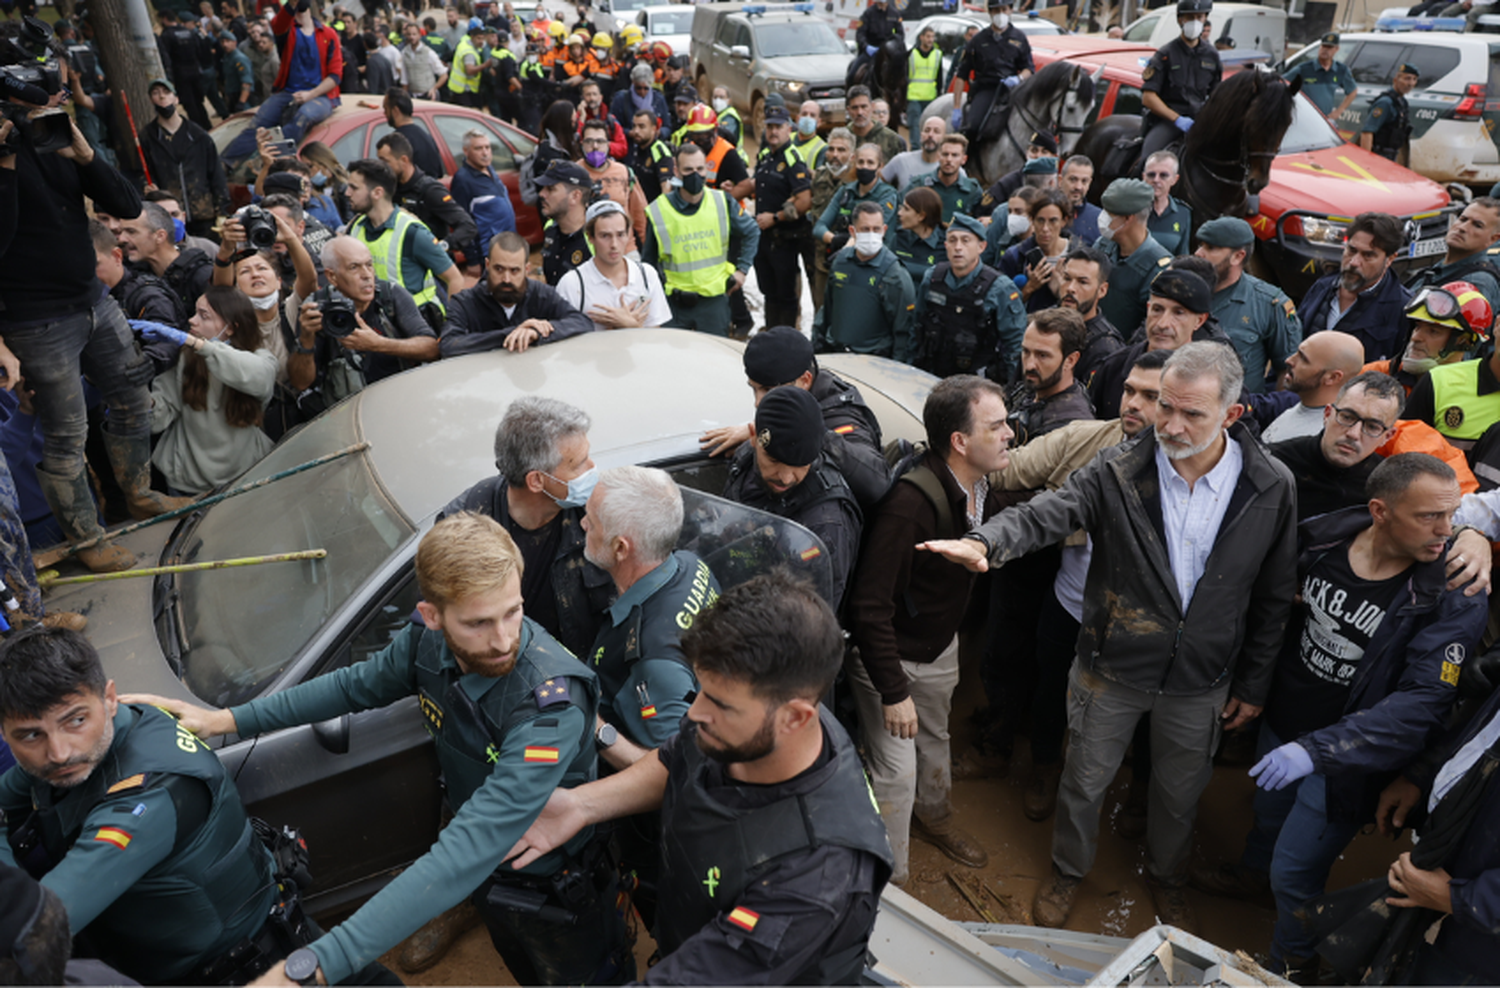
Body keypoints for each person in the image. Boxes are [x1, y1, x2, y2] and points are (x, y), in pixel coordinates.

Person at [133, 513, 632, 987]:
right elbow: (353, 686)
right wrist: (229, 719)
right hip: (490, 882)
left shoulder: (550, 705)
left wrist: (319, 963)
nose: (504, 640)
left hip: (557, 888)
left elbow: (473, 845)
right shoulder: (425, 642)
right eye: (478, 623)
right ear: (431, 615)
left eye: (513, 612)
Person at [923, 341, 1296, 934]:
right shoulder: (1119, 469)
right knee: (1084, 780)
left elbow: (1274, 594)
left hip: (1201, 680)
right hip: (1111, 666)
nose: (1168, 425)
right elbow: (1050, 511)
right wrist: (987, 543)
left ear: (1232, 413)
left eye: (1190, 414)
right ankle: (1069, 872)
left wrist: (1252, 683)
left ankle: (1169, 878)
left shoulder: (1270, 484)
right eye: (1163, 406)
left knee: (1179, 794)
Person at [507, 570, 893, 984]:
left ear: (795, 717)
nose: (694, 713)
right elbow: (678, 760)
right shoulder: (748, 721)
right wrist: (581, 805)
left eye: (719, 703)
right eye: (702, 689)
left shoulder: (816, 878)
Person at [1203, 453, 1485, 979]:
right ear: (1379, 511)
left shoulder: (1454, 593)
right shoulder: (1322, 539)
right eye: (1430, 517)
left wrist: (1316, 751)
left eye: (1453, 517)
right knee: (1265, 817)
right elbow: (1266, 609)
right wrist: (1252, 688)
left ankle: (1291, 961)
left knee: (1295, 870)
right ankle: (1249, 880)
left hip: (1347, 763)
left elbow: (1423, 703)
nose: (1447, 531)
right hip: (1282, 722)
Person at [0, 627, 305, 985]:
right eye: (32, 734)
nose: (59, 752)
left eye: (76, 720)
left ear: (109, 699)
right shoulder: (110, 730)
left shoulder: (149, 798)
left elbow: (31, 931)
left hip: (244, 972)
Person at [0, 116, 190, 572]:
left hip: (93, 299)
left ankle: (139, 493)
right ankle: (87, 538)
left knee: (132, 399)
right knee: (67, 434)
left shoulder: (50, 138)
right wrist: (4, 160)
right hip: (37, 319)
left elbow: (126, 204)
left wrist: (85, 153)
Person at [988, 349, 1170, 822]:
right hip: (1070, 606)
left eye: (1151, 396)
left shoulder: (1198, 473)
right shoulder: (1085, 440)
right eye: (1129, 390)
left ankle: (1139, 796)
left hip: (1145, 628)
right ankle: (1047, 769)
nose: (1133, 403)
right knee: (1052, 691)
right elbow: (1003, 467)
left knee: (1149, 716)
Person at [846, 375, 1008, 885]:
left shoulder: (981, 483)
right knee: (897, 772)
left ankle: (936, 820)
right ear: (960, 442)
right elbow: (869, 607)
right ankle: (892, 887)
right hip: (889, 657)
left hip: (939, 648)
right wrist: (893, 692)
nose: (1011, 434)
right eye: (998, 425)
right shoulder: (910, 506)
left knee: (935, 738)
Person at [580, 466, 718, 925]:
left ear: (622, 548)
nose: (582, 523)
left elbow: (666, 773)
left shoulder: (654, 658)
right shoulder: (689, 565)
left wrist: (596, 729)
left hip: (661, 839)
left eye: (592, 520)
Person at [439, 397, 613, 662]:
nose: (592, 470)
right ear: (536, 480)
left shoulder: (599, 515)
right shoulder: (459, 532)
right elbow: (445, 634)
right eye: (579, 464)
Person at [701, 326, 892, 513]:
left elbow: (877, 483)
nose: (758, 403)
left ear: (806, 380)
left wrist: (815, 433)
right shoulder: (794, 397)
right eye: (754, 389)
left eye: (768, 390)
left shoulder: (840, 417)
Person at [722, 387, 863, 610]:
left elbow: (811, 624)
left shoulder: (825, 525)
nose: (786, 478)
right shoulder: (744, 462)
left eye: (800, 464)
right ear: (753, 436)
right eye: (774, 460)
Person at [139, 286, 275, 495]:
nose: (192, 321)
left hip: (247, 476)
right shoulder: (185, 359)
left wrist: (201, 346)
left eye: (204, 316)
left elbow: (258, 376)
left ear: (230, 328)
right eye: (195, 313)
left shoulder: (260, 357)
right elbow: (161, 414)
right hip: (187, 482)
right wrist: (142, 400)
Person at [290, 235, 438, 405]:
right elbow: (300, 383)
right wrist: (306, 339)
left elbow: (432, 348)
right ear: (332, 277)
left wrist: (379, 344)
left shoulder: (391, 295)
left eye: (369, 265)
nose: (367, 275)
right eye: (354, 268)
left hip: (402, 401)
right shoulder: (317, 308)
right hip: (350, 413)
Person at [642, 142, 759, 337]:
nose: (695, 175)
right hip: (674, 305)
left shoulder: (722, 201)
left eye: (700, 169)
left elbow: (752, 231)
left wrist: (742, 270)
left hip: (713, 304)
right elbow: (648, 262)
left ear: (706, 169)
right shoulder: (658, 210)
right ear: (677, 172)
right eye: (688, 169)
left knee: (714, 361)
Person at [1086, 266, 1229, 419]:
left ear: (1199, 321)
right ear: (1148, 308)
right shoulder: (1114, 367)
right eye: (1157, 309)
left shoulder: (1214, 378)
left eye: (1178, 313)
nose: (1163, 324)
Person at [1266, 371, 1406, 522]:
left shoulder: (1388, 487)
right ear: (1327, 414)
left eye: (1372, 427)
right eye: (1346, 417)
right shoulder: (1274, 462)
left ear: (1388, 436)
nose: (1353, 434)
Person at [222, 0, 344, 165]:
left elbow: (335, 75)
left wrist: (311, 95)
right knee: (259, 123)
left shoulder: (328, 34)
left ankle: (267, 160)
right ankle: (225, 164)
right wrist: (291, 4)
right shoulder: (288, 31)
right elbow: (278, 24)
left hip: (320, 96)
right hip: (288, 92)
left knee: (304, 116)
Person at [344, 157, 463, 325]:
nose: (347, 193)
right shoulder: (356, 227)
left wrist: (452, 327)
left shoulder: (412, 232)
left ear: (377, 193)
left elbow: (455, 279)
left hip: (417, 326)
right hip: (376, 322)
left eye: (354, 188)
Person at [912, 213, 1027, 383]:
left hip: (977, 382)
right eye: (952, 240)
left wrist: (1012, 392)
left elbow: (1015, 347)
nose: (958, 247)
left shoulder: (1000, 288)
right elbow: (916, 329)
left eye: (965, 241)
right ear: (945, 245)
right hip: (931, 376)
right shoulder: (932, 278)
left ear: (981, 246)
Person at [442, 232, 594, 357]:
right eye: (499, 269)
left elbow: (582, 322)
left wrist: (536, 333)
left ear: (527, 269)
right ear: (487, 266)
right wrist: (511, 334)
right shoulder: (464, 302)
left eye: (514, 271)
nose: (506, 279)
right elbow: (448, 345)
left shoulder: (541, 294)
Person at [1195, 216, 1302, 392]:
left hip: (1237, 411)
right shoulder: (1182, 290)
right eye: (1200, 245)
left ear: (1237, 257)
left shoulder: (1270, 303)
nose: (1198, 253)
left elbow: (1288, 371)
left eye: (1211, 248)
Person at [1297, 211, 1411, 361]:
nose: (1354, 262)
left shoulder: (1403, 309)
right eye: (1351, 250)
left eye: (1368, 255)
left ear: (1390, 259)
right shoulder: (1322, 287)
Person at [813, 201, 915, 361]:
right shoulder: (840, 262)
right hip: (837, 354)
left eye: (876, 229)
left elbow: (903, 330)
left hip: (874, 360)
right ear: (852, 231)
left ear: (884, 230)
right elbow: (827, 309)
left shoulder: (894, 273)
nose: (871, 235)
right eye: (865, 229)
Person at [555, 201, 671, 333]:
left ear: (628, 234)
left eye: (620, 235)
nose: (614, 244)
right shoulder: (572, 284)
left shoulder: (647, 275)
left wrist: (632, 326)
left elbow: (655, 335)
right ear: (590, 237)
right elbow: (565, 340)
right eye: (605, 236)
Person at [91, 221, 185, 375]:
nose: (87, 276)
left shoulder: (148, 295)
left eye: (94, 265)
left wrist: (148, 362)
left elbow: (167, 339)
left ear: (116, 256)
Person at [1369, 278, 1493, 395]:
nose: (1416, 338)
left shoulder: (1472, 395)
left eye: (1433, 331)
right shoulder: (1373, 375)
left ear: (1464, 341)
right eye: (1417, 327)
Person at [141, 79, 231, 239]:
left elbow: (216, 175)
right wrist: (150, 190)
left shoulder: (199, 136)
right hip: (169, 218)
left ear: (176, 98)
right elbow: (142, 172)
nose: (162, 97)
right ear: (150, 100)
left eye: (166, 92)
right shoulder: (148, 138)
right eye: (156, 93)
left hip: (203, 215)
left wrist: (222, 211)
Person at [376, 132, 478, 270]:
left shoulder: (429, 190)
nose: (381, 167)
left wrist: (441, 246)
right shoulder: (389, 189)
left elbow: (468, 226)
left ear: (404, 160)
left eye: (385, 161)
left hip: (434, 271)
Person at [753, 106, 814, 331]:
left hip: (785, 238)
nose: (773, 131)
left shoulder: (792, 158)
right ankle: (772, 334)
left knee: (786, 295)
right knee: (769, 293)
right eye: (770, 126)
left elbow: (804, 200)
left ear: (789, 128)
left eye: (778, 126)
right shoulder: (766, 156)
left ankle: (786, 337)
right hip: (765, 238)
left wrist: (776, 218)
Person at [1139, 0, 1221, 165]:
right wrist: (1177, 119)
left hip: (1200, 122)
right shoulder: (1165, 54)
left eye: (1199, 17)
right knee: (1147, 161)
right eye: (1190, 17)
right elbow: (1148, 97)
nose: (1195, 22)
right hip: (1169, 121)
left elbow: (1217, 96)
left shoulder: (1212, 55)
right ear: (1180, 20)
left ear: (1205, 19)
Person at [1092, 177, 1171, 338]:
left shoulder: (1159, 267)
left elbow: (1149, 327)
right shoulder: (1103, 245)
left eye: (1109, 213)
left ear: (1128, 218)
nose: (1102, 217)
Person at [1255, 329, 1366, 443]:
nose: (1289, 360)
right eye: (1297, 353)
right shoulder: (1298, 408)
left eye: (1303, 359)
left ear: (1332, 378)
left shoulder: (1322, 438)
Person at [1007, 308, 1095, 445]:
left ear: (1070, 360)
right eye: (1026, 352)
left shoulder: (1071, 428)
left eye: (1042, 356)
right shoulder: (1032, 390)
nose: (1030, 365)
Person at [952, 0, 1033, 145]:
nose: (1000, 14)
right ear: (990, 12)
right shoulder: (978, 40)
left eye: (1004, 9)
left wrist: (1018, 78)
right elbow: (961, 75)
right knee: (973, 126)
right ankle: (969, 161)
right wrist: (956, 108)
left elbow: (1029, 69)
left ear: (1010, 10)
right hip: (986, 90)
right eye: (996, 10)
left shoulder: (1020, 38)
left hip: (1012, 89)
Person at [117, 202, 215, 316]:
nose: (122, 239)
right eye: (121, 232)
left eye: (131, 232)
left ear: (160, 236)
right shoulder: (134, 274)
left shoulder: (200, 275)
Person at [815, 143, 899, 262]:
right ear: (855, 163)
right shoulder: (845, 191)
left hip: (877, 261)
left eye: (870, 163)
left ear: (880, 166)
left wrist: (845, 247)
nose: (865, 167)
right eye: (860, 162)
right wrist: (835, 239)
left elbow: (872, 232)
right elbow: (819, 227)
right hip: (847, 259)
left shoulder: (887, 194)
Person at [1405, 197, 1500, 303]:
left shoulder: (1475, 284)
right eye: (1463, 219)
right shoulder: (1443, 268)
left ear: (1493, 239)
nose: (1462, 228)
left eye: (1477, 226)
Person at [1057, 246, 1123, 390]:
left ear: (1102, 290)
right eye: (1067, 278)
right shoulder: (1043, 323)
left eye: (1082, 282)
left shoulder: (1105, 348)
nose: (1071, 288)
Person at [451, 129, 518, 266]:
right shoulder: (463, 180)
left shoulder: (489, 169)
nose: (485, 153)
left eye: (487, 147)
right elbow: (461, 221)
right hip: (489, 255)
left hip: (509, 246)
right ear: (466, 151)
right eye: (478, 148)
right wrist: (473, 260)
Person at [998, 188, 1073, 312]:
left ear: (1063, 221)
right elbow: (1001, 304)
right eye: (1040, 220)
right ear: (1031, 220)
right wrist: (1029, 287)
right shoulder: (1015, 256)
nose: (1045, 228)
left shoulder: (1077, 254)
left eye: (1053, 221)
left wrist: (1063, 293)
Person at [577, 120, 648, 249]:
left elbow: (640, 214)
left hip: (626, 250)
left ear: (608, 145)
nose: (595, 146)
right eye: (589, 141)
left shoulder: (624, 172)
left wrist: (647, 248)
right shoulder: (574, 173)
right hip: (588, 252)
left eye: (600, 141)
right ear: (582, 144)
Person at [810, 129, 855, 314]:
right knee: (820, 311)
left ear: (852, 155)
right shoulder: (819, 176)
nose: (835, 155)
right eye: (831, 149)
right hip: (821, 260)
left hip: (850, 262)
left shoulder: (858, 181)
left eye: (841, 150)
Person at [536, 160, 593, 287]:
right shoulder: (550, 228)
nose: (542, 194)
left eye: (551, 189)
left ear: (575, 196)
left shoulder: (596, 237)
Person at [157, 8, 212, 128]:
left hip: (181, 74)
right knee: (199, 102)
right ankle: (207, 125)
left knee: (190, 104)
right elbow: (199, 50)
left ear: (165, 19)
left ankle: (200, 128)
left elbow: (166, 58)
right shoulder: (188, 32)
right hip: (195, 71)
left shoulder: (166, 36)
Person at [1284, 33, 1357, 121]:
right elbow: (1282, 82)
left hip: (1324, 120)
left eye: (1329, 47)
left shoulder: (1340, 70)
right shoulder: (1304, 69)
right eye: (1323, 46)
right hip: (1303, 118)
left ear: (1337, 49)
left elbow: (1353, 91)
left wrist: (1339, 111)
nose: (1325, 50)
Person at [914, 134, 983, 224]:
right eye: (945, 154)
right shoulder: (920, 184)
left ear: (964, 159)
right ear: (939, 156)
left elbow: (981, 222)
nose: (949, 159)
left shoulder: (973, 190)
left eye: (955, 155)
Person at [886, 186, 947, 287]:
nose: (899, 213)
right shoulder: (899, 237)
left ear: (921, 216)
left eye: (906, 209)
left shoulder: (946, 244)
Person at [1361, 62, 1419, 163]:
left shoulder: (1402, 102)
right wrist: (1365, 161)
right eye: (1407, 78)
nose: (1411, 83)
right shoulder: (1385, 103)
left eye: (1414, 79)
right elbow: (1367, 132)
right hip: (1378, 155)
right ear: (1396, 80)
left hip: (1391, 156)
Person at [383, 86, 446, 178]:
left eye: (386, 109)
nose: (385, 114)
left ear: (395, 111)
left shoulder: (396, 142)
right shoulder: (427, 137)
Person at [1142, 151, 1192, 257]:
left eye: (1163, 175)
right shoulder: (1131, 209)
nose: (1156, 180)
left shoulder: (1183, 212)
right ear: (1143, 177)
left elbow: (1182, 255)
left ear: (1175, 179)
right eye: (1151, 175)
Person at [844, 86, 904, 168]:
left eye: (864, 106)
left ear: (872, 107)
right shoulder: (842, 139)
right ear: (848, 110)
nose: (859, 112)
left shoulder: (892, 140)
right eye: (855, 108)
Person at [849, 0, 903, 91]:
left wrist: (892, 45)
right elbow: (860, 34)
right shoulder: (868, 14)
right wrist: (866, 47)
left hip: (888, 52)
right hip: (870, 52)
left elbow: (900, 34)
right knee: (851, 75)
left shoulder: (895, 14)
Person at [883, 115, 944, 193]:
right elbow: (877, 185)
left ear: (944, 137)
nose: (930, 135)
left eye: (936, 131)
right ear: (921, 134)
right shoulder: (901, 160)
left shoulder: (951, 168)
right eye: (927, 130)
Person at [611, 64, 669, 145]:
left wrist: (659, 132)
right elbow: (613, 124)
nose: (642, 91)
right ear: (633, 83)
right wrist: (629, 132)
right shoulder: (621, 99)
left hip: (653, 145)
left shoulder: (658, 99)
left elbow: (667, 126)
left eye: (646, 88)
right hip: (628, 146)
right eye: (638, 88)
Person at [627, 108, 674, 204]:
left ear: (653, 129)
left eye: (641, 127)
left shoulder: (660, 152)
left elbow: (667, 189)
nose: (636, 131)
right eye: (634, 126)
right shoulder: (637, 147)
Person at [906, 27, 942, 137]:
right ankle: (916, 149)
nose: (930, 40)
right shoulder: (911, 54)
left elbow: (939, 78)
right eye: (928, 36)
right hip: (914, 96)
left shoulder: (937, 54)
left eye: (932, 37)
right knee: (915, 124)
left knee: (929, 126)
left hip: (930, 96)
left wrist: (939, 96)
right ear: (921, 37)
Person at [399, 21, 448, 99]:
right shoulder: (405, 53)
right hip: (412, 95)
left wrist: (434, 89)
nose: (412, 37)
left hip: (428, 94)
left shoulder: (428, 52)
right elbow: (404, 78)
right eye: (409, 34)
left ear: (419, 35)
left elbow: (444, 74)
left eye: (414, 34)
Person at [1060, 154, 1101, 245]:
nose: (1078, 187)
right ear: (1060, 180)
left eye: (1084, 181)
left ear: (1089, 183)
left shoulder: (1100, 219)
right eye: (1073, 179)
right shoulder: (1046, 213)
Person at [446, 17, 486, 107]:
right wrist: (485, 65)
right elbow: (469, 70)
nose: (481, 42)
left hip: (457, 86)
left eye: (482, 39)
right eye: (479, 38)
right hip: (464, 87)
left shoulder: (464, 41)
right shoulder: (469, 51)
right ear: (472, 36)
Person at [220, 30, 255, 112]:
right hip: (233, 95)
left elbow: (246, 82)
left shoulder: (239, 58)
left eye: (228, 41)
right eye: (222, 41)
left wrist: (241, 103)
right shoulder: (227, 57)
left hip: (242, 97)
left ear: (235, 42)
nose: (225, 44)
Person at [794, 100, 829, 170]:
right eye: (804, 114)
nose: (808, 118)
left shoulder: (823, 148)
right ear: (797, 119)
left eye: (812, 115)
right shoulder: (786, 138)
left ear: (819, 122)